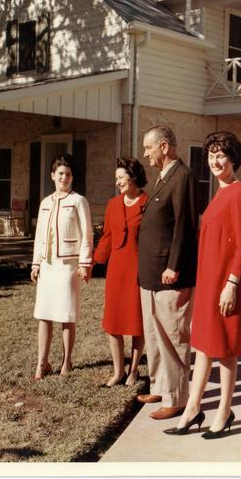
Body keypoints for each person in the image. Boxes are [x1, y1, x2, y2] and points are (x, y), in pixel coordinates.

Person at [164, 131, 241, 439]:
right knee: (203, 346)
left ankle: (224, 411)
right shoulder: (219, 193)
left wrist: (232, 283)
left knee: (225, 349)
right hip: (208, 284)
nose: (215, 162)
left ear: (233, 159)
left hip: (226, 285)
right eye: (211, 156)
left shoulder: (239, 194)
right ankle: (192, 409)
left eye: (221, 156)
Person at [137, 125, 199, 420]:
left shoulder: (183, 176)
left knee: (173, 338)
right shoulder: (163, 176)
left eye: (148, 147)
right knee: (154, 337)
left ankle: (176, 398)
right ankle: (160, 387)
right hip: (152, 275)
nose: (145, 153)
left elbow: (185, 226)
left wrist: (174, 265)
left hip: (170, 275)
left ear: (163, 146)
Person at [31, 154, 93, 379]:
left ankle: (67, 362)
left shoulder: (78, 201)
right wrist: (36, 263)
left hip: (68, 266)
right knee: (44, 314)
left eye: (67, 174)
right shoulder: (45, 203)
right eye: (60, 174)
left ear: (72, 177)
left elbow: (87, 234)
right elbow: (39, 236)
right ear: (52, 176)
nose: (64, 178)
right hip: (48, 266)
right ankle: (42, 363)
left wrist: (84, 263)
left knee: (67, 315)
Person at [93, 158, 148, 387]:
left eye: (120, 177)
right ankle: (118, 372)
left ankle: (133, 370)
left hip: (139, 269)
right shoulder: (113, 204)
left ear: (133, 177)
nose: (117, 182)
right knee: (113, 321)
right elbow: (107, 237)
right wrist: (93, 262)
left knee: (137, 322)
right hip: (116, 269)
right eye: (116, 178)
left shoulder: (148, 203)